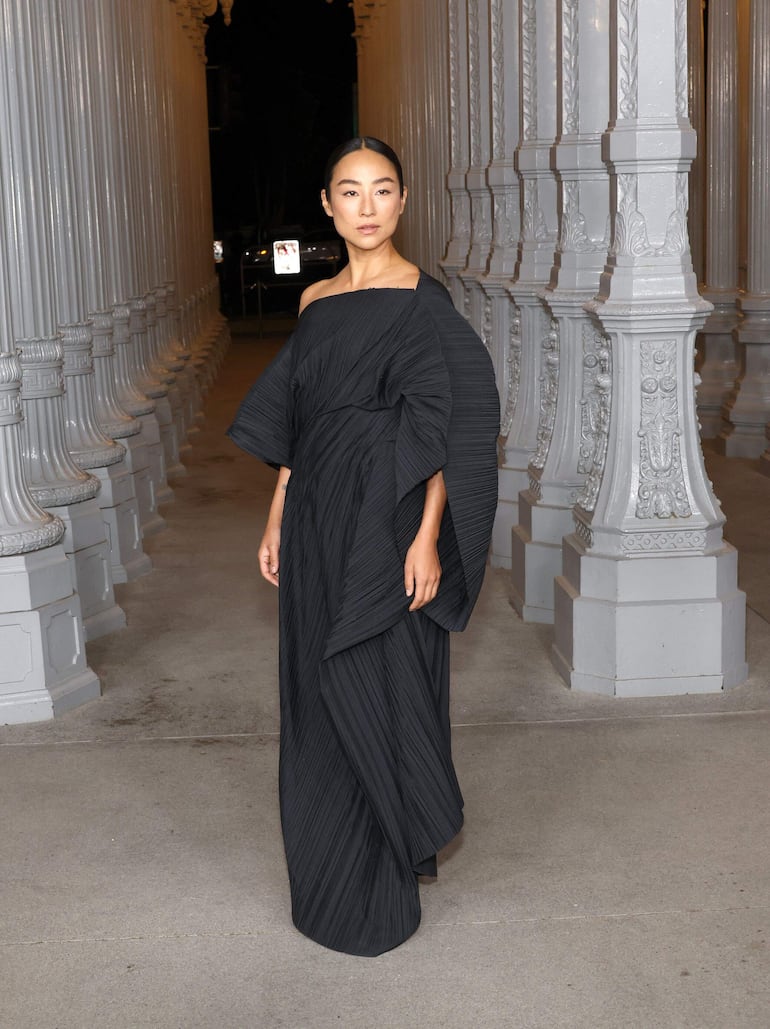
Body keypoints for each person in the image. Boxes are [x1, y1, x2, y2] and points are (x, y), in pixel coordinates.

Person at [227, 137, 499, 956]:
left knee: (384, 682)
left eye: (383, 190)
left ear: (404, 200)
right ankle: (328, 861)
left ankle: (389, 858)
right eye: (351, 192)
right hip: (316, 514)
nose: (368, 206)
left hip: (390, 515)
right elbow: (300, 423)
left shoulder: (425, 300)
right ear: (327, 206)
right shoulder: (314, 302)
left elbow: (448, 425)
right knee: (317, 683)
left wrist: (426, 540)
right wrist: (278, 510)